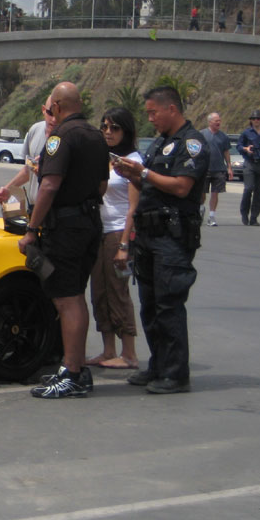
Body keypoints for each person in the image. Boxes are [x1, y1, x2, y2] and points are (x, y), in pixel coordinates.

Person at [113, 85, 209, 394]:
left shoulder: (191, 144)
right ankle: (157, 365)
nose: (151, 118)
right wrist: (131, 174)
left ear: (172, 109)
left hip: (173, 235)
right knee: (150, 305)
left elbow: (181, 186)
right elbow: (148, 183)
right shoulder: (159, 144)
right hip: (150, 234)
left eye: (154, 112)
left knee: (169, 304)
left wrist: (145, 174)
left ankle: (175, 373)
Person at [18, 82, 108, 399]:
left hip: (66, 228)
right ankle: (74, 368)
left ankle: (72, 372)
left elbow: (49, 186)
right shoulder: (96, 135)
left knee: (67, 299)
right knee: (75, 296)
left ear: (56, 106)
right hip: (89, 223)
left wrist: (32, 228)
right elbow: (101, 186)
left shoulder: (60, 138)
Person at [86, 107, 141, 370]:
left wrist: (124, 245)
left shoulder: (132, 160)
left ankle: (128, 353)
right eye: (105, 126)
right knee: (99, 292)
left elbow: (134, 208)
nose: (108, 132)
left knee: (118, 292)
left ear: (126, 131)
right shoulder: (104, 157)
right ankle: (108, 350)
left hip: (118, 232)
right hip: (99, 231)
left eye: (115, 127)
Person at [0, 95, 55, 208]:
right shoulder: (35, 130)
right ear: (43, 110)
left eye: (58, 114)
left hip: (55, 209)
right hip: (33, 207)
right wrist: (8, 189)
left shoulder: (67, 136)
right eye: (50, 113)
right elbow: (28, 170)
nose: (54, 119)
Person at [199, 111, 232, 226]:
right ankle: (201, 208)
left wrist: (229, 167)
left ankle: (212, 216)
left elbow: (226, 152)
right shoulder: (201, 134)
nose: (219, 122)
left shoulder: (223, 136)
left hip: (219, 169)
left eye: (219, 120)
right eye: (216, 120)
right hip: (204, 169)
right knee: (202, 192)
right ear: (210, 122)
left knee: (215, 193)